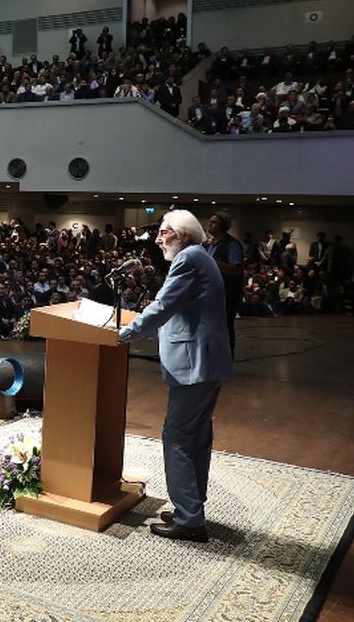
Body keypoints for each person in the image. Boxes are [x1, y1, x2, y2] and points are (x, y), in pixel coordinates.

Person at [119, 210, 233, 542]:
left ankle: (189, 520)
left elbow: (163, 305)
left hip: (196, 365)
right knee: (197, 437)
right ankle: (191, 508)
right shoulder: (201, 257)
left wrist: (125, 333)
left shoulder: (188, 260)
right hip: (208, 362)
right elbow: (182, 312)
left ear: (181, 235)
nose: (157, 238)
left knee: (178, 435)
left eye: (163, 232)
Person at [205, 212, 244, 357]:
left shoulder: (232, 244)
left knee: (225, 326)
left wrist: (212, 263)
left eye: (213, 222)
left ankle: (226, 359)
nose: (209, 224)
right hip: (210, 292)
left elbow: (236, 269)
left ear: (222, 225)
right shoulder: (208, 244)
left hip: (227, 292)